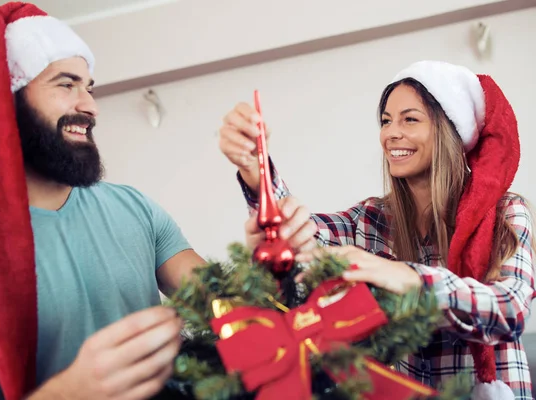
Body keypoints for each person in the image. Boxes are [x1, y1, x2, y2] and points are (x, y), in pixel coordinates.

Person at [0, 3, 288, 400]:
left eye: (89, 87)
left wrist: (265, 239)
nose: (90, 106)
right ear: (2, 100)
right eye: (66, 85)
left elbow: (227, 308)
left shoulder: (134, 208)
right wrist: (69, 392)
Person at [219, 60, 535, 399]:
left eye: (409, 119)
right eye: (386, 121)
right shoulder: (369, 220)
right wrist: (257, 171)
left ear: (450, 131)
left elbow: (510, 308)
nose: (391, 133)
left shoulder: (504, 211)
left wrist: (408, 278)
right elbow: (303, 237)